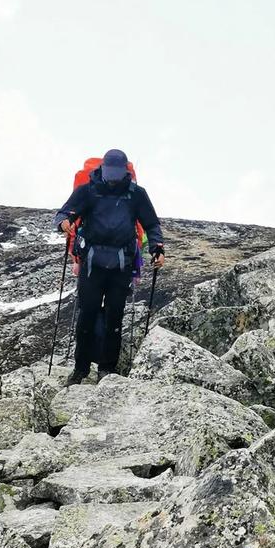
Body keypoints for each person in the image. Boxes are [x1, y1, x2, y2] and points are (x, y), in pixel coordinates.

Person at [54, 149, 165, 385]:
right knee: (87, 315)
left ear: (125, 172)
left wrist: (158, 247)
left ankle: (107, 368)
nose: (112, 178)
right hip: (93, 263)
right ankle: (81, 369)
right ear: (102, 169)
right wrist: (63, 222)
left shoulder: (136, 195)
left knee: (115, 316)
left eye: (116, 174)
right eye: (109, 173)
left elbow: (151, 223)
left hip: (120, 265)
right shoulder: (88, 190)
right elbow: (66, 211)